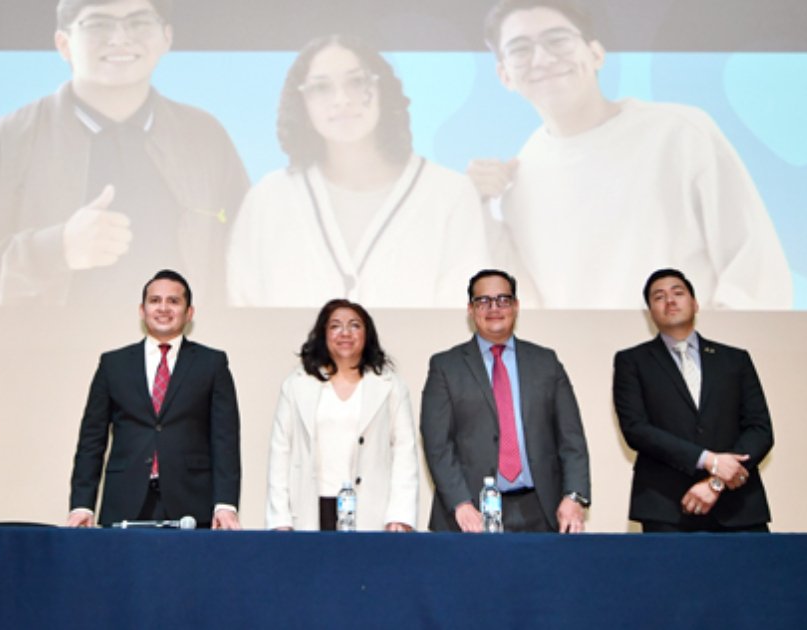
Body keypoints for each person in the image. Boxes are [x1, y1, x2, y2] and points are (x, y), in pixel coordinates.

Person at [0, 0, 249, 306]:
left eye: (139, 22)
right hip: (42, 358)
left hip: (178, 360)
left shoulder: (205, 138)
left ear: (166, 38)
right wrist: (55, 250)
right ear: (63, 44)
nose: (120, 38)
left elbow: (249, 261)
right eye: (98, 23)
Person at [469, 0, 792, 309]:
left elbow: (755, 269)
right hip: (586, 349)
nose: (542, 58)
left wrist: (709, 346)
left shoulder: (679, 132)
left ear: (596, 54)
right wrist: (474, 203)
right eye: (520, 49)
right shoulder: (520, 180)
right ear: (504, 75)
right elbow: (528, 302)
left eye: (558, 40)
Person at [226, 35, 490, 307]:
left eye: (356, 82)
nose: (341, 100)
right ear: (302, 103)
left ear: (382, 90)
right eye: (321, 87)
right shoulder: (269, 199)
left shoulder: (449, 193)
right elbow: (243, 305)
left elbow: (460, 312)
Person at [66, 269, 241, 528]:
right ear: (142, 310)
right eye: (155, 300)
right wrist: (82, 504)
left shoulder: (212, 363)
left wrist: (225, 504)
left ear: (189, 312)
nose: (163, 308)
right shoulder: (113, 364)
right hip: (124, 500)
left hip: (192, 503)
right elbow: (92, 439)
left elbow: (225, 439)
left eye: (174, 301)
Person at [420, 269, 590, 533]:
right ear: (470, 309)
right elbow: (437, 444)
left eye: (503, 299)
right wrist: (460, 503)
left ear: (516, 306)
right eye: (483, 301)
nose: (494, 308)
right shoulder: (445, 366)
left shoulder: (546, 362)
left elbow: (572, 437)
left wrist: (574, 495)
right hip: (470, 515)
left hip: (543, 511)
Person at [613, 268, 775, 532]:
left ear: (696, 303)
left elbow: (760, 429)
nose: (670, 300)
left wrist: (716, 482)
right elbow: (636, 429)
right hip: (666, 506)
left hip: (739, 507)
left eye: (678, 293)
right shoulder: (632, 361)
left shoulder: (735, 360)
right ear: (650, 312)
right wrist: (708, 460)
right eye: (659, 297)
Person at [266, 299, 418, 532]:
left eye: (355, 325)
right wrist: (280, 518)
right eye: (335, 326)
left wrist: (400, 514)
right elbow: (280, 451)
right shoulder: (296, 384)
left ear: (367, 334)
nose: (345, 332)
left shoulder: (390, 385)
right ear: (323, 334)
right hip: (311, 507)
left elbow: (404, 451)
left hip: (371, 509)